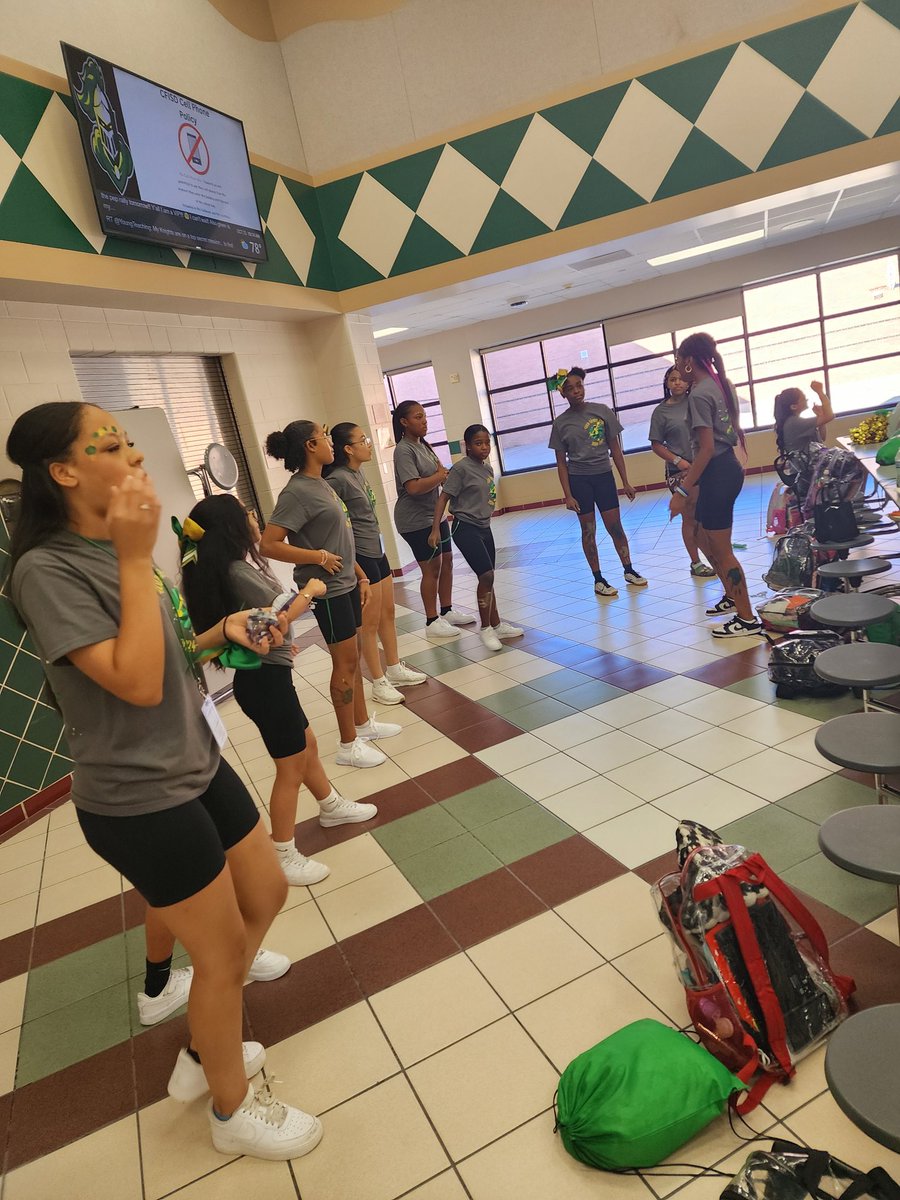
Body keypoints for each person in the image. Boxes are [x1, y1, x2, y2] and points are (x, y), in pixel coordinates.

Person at [6, 402, 322, 1160]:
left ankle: (200, 1048)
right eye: (110, 444)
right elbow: (137, 683)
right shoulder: (46, 570)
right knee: (215, 958)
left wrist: (220, 633)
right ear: (65, 471)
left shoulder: (127, 549)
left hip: (195, 763)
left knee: (268, 893)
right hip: (137, 797)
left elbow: (168, 650)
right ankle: (229, 1109)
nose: (135, 455)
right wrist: (129, 551)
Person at [180, 493, 378, 887]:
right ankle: (283, 851)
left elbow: (257, 627)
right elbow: (277, 617)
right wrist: (311, 592)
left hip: (265, 680)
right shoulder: (238, 570)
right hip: (265, 685)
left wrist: (282, 634)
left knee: (307, 747)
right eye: (247, 513)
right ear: (234, 528)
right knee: (290, 769)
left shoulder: (229, 569)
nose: (255, 518)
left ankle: (330, 805)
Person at [261, 420, 401, 769]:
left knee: (351, 658)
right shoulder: (296, 492)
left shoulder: (321, 483)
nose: (331, 443)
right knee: (345, 664)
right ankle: (347, 745)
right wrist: (317, 558)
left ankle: (363, 724)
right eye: (324, 437)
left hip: (348, 583)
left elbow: (340, 534)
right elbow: (269, 543)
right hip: (328, 591)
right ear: (310, 446)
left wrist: (359, 573)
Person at [322, 423, 426, 705]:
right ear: (348, 449)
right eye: (362, 440)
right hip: (361, 555)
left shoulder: (359, 471)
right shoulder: (338, 479)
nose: (368, 444)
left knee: (388, 612)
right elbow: (335, 522)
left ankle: (394, 668)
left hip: (377, 549)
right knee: (369, 623)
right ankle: (378, 682)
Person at [668, 332, 761, 638]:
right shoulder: (718, 385)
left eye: (679, 360)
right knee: (703, 535)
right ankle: (733, 597)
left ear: (690, 362)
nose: (677, 366)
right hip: (719, 472)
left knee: (722, 550)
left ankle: (747, 618)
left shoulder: (699, 394)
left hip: (719, 471)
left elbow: (706, 449)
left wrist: (681, 491)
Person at [548, 366, 647, 595]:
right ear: (562, 393)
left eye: (579, 386)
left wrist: (625, 481)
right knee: (588, 531)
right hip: (579, 481)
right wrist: (568, 495)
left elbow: (616, 449)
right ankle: (598, 579)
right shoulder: (560, 423)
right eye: (569, 388)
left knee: (615, 527)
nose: (576, 391)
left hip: (604, 477)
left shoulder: (602, 411)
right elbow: (561, 463)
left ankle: (629, 569)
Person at [428, 424, 524, 651]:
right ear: (468, 446)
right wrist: (434, 529)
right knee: (486, 575)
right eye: (478, 443)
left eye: (486, 443)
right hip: (465, 527)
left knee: (489, 578)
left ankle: (497, 624)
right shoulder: (461, 469)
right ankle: (486, 629)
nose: (484, 447)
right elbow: (443, 499)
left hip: (484, 527)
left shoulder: (487, 469)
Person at [391, 400, 474, 640]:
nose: (424, 421)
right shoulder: (403, 450)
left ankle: (446, 611)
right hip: (415, 520)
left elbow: (440, 473)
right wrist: (439, 476)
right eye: (418, 417)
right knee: (432, 569)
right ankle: (431, 620)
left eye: (425, 416)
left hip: (435, 515)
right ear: (404, 422)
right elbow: (414, 488)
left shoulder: (423, 445)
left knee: (447, 561)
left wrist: (444, 477)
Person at [649, 365, 716, 578]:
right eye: (672, 379)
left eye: (680, 379)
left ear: (688, 381)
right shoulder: (661, 412)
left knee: (706, 514)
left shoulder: (696, 401)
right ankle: (696, 562)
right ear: (667, 384)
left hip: (704, 465)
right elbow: (656, 444)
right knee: (690, 517)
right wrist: (677, 461)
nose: (677, 382)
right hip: (680, 471)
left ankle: (714, 553)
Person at [774, 380, 833, 456]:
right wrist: (820, 392)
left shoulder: (794, 421)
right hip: (809, 465)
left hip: (812, 462)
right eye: (803, 399)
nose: (806, 400)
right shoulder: (794, 423)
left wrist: (820, 416)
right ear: (794, 406)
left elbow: (822, 438)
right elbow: (829, 416)